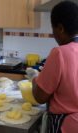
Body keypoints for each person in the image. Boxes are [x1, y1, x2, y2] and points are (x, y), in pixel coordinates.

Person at [28, 1, 78, 133]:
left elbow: (40, 97)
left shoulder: (60, 53)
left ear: (60, 28)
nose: (53, 34)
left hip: (66, 126)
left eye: (53, 28)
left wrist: (34, 78)